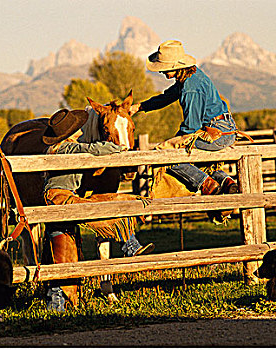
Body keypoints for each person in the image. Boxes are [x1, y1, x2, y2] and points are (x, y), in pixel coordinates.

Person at [41, 109, 154, 311]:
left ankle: (55, 305)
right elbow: (94, 149)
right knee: (97, 214)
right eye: (75, 128)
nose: (79, 129)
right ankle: (130, 246)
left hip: (61, 197)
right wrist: (119, 148)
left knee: (61, 249)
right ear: (69, 133)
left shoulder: (57, 149)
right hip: (60, 197)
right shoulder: (68, 148)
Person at [130, 40, 244, 222]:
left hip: (215, 133)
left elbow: (190, 127)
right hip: (224, 129)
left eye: (165, 68)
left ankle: (208, 186)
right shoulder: (190, 77)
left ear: (177, 67)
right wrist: (140, 107)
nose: (162, 71)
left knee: (168, 155)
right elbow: (167, 97)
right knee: (190, 158)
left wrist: (174, 142)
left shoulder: (191, 88)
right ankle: (225, 181)